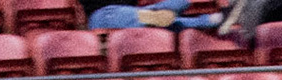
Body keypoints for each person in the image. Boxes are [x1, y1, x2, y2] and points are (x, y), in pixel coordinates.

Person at [87, 0, 222, 28]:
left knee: (170, 24)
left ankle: (211, 20)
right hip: (105, 15)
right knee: (164, 17)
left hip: (135, 15)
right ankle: (211, 20)